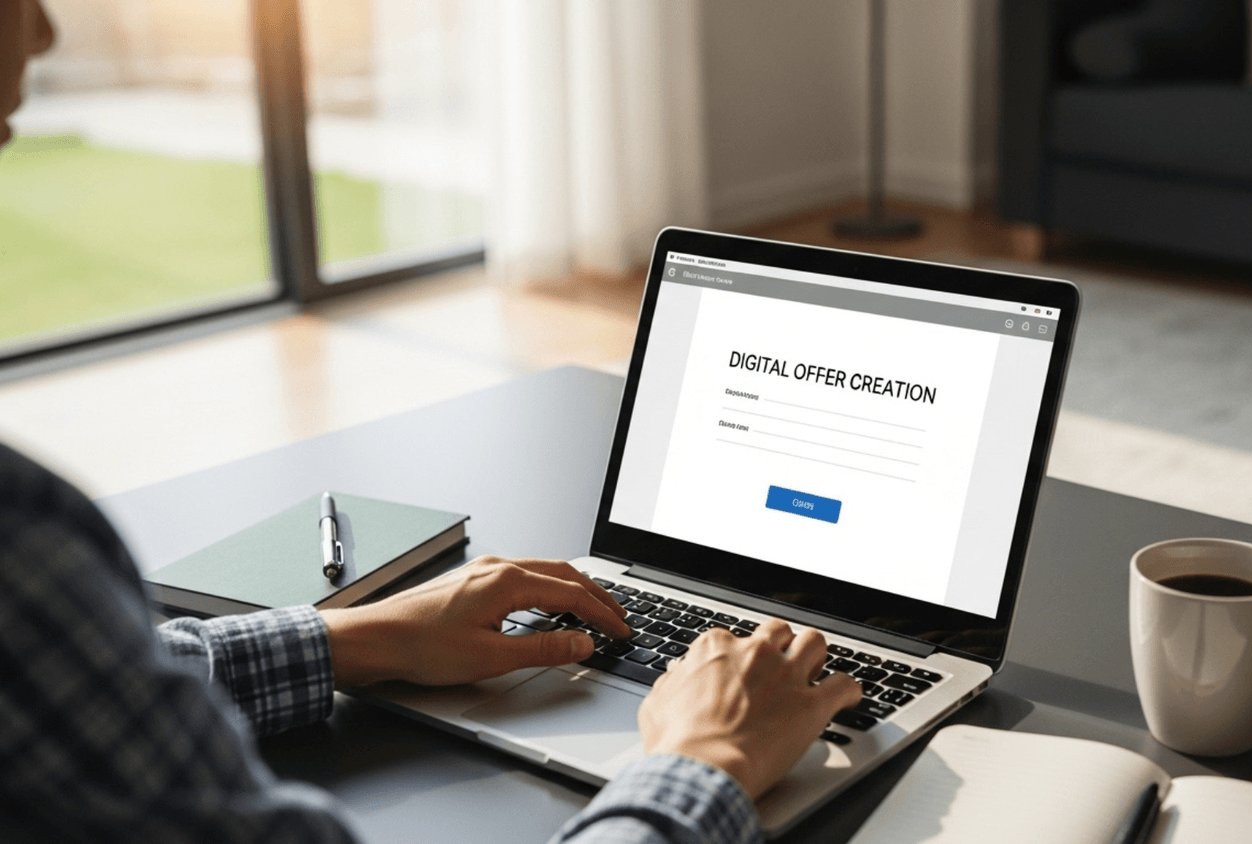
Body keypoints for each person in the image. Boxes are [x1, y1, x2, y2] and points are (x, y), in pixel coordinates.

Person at [0, 2, 863, 840]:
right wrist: (705, 763)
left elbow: (63, 701)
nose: (44, 30)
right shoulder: (19, 545)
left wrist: (354, 638)